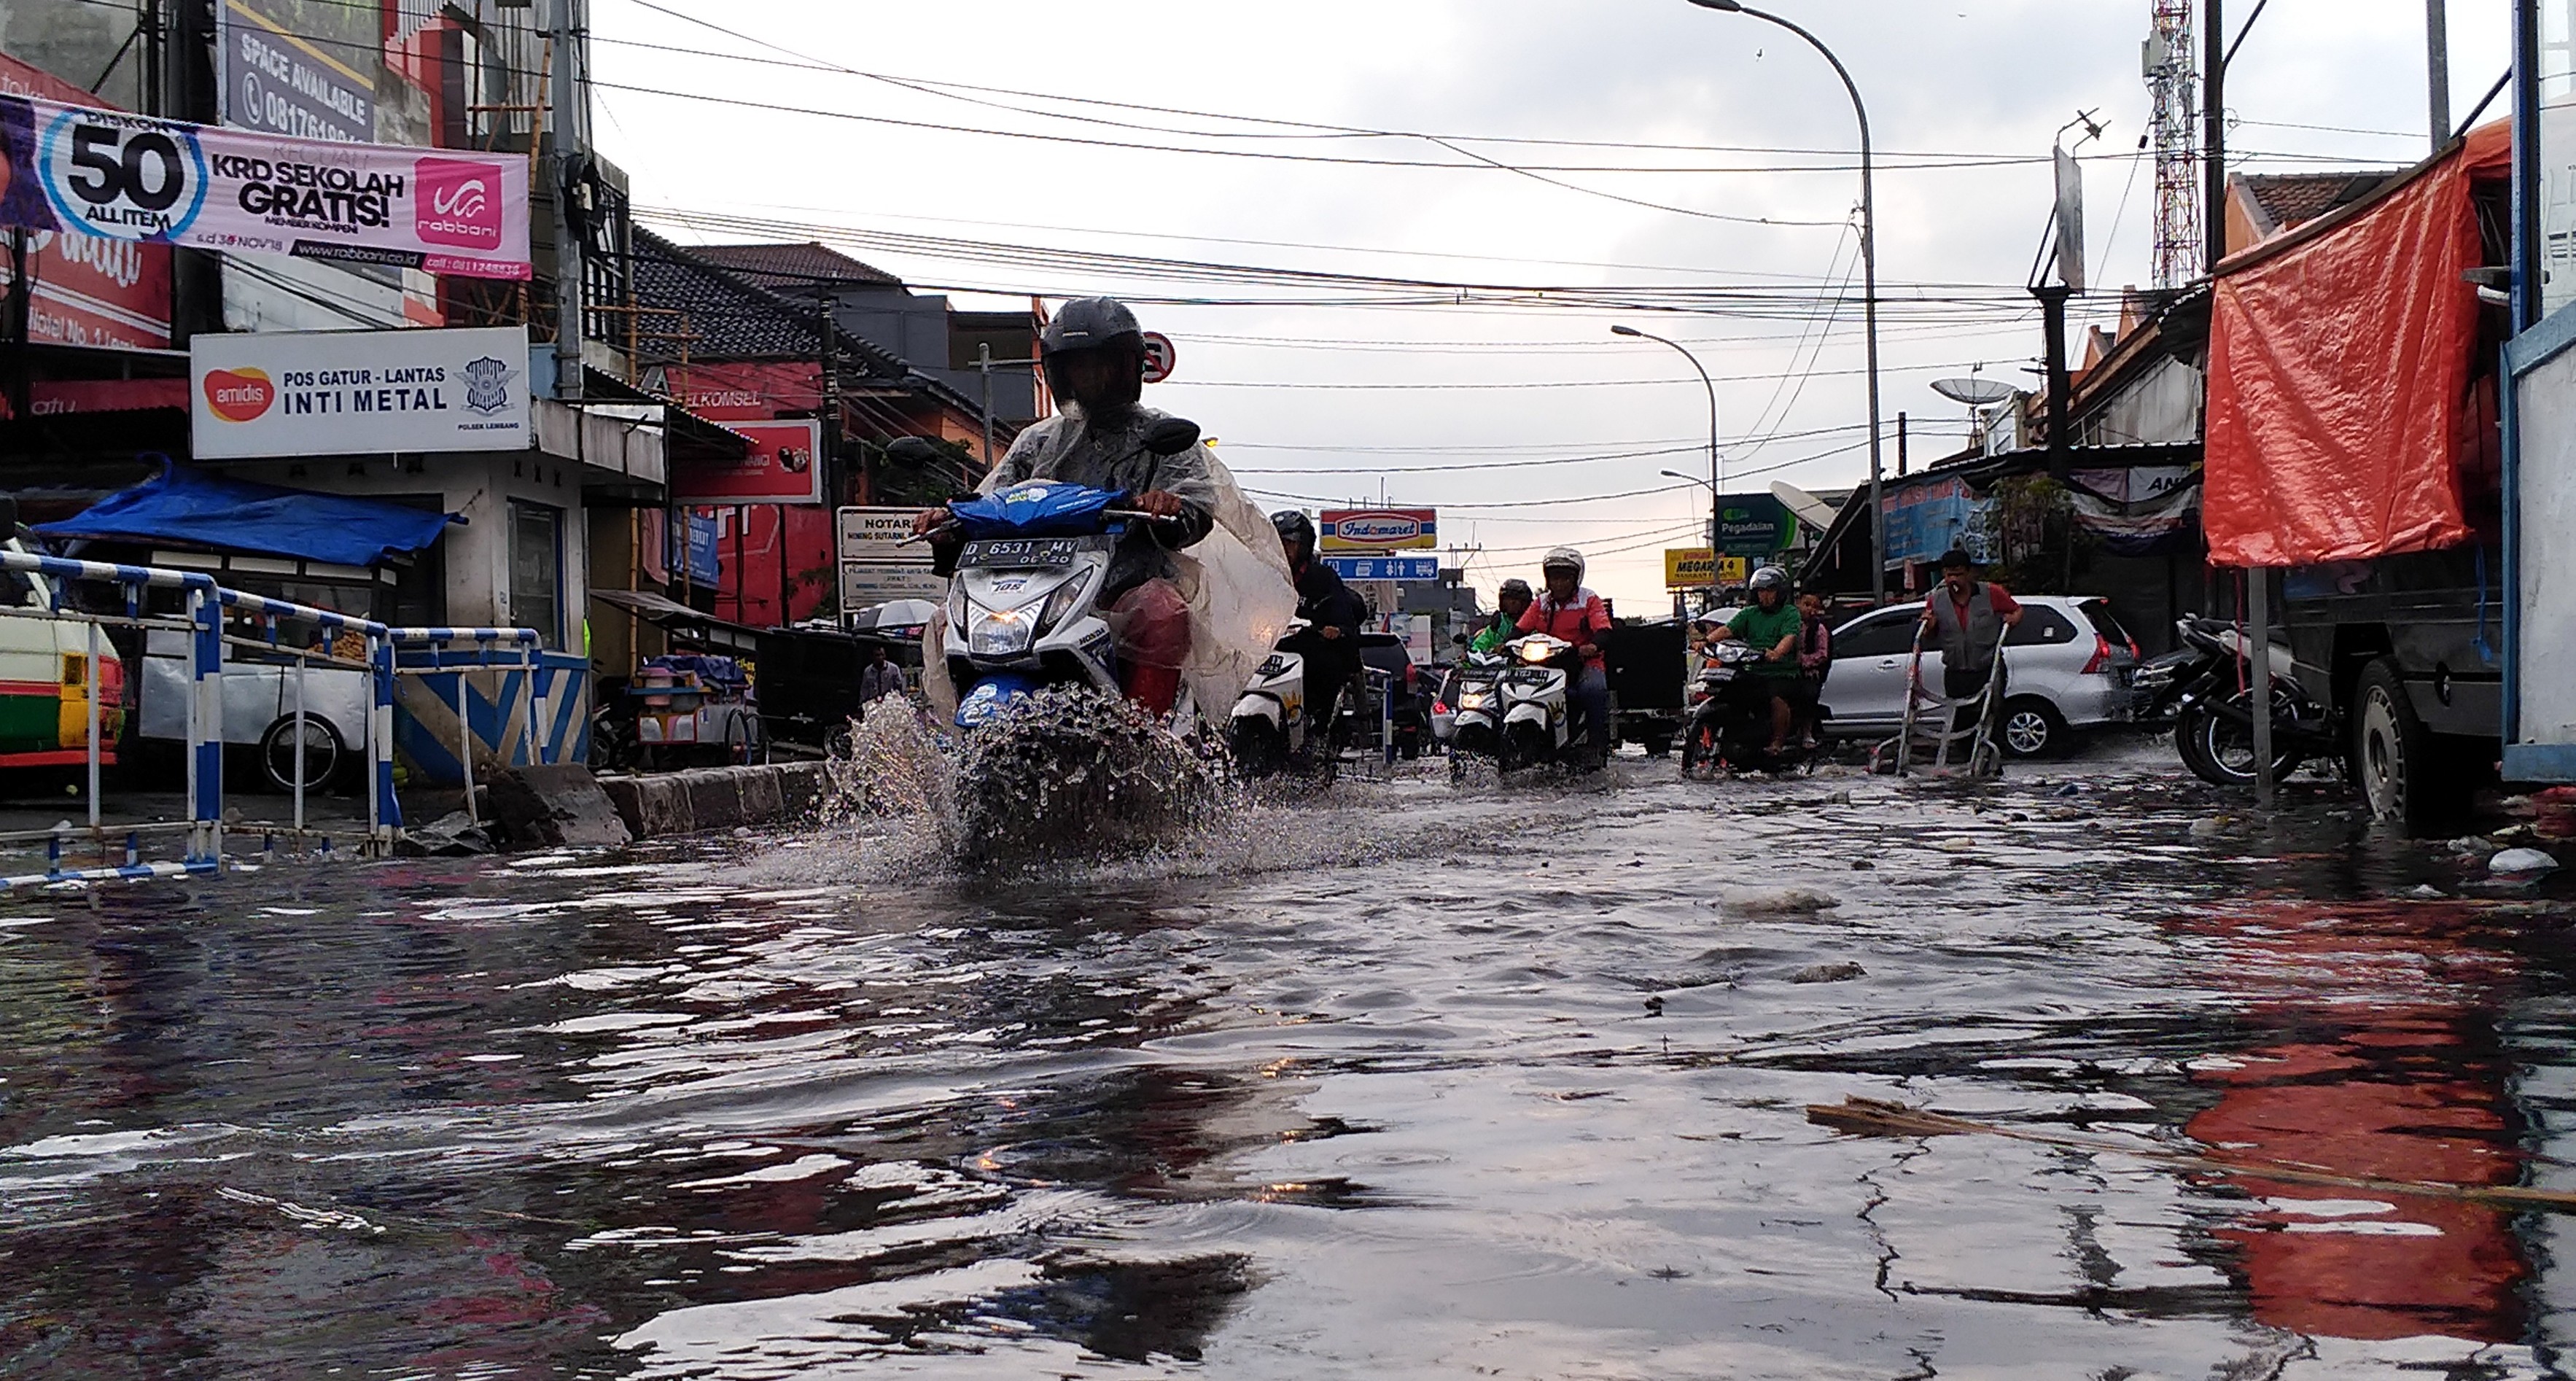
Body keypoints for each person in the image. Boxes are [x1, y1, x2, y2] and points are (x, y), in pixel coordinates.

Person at [913, 297, 1215, 715]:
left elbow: (1196, 505)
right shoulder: (1037, 441)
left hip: (1117, 595)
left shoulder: (1160, 436)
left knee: (1161, 611)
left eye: (1100, 364)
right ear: (1059, 371)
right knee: (948, 621)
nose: (1089, 376)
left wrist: (1169, 507)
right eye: (1077, 365)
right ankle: (944, 732)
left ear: (1128, 367)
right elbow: (992, 500)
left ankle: (1149, 739)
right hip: (1031, 588)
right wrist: (952, 520)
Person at [1272, 510, 1364, 742]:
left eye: (1289, 544)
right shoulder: (1263, 575)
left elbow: (1343, 619)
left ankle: (1317, 727)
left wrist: (1335, 630)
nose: (1283, 550)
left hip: (1310, 647)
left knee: (1325, 664)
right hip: (1270, 647)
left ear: (1303, 546)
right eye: (1277, 543)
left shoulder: (1323, 578)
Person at [1517, 547, 1613, 767]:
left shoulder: (1589, 599)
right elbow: (1520, 628)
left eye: (1564, 578)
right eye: (1554, 578)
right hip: (1547, 664)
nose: (1558, 583)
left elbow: (1604, 631)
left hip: (1583, 662)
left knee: (1593, 691)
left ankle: (1596, 747)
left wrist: (1592, 646)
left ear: (1575, 579)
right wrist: (1504, 644)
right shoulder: (1541, 602)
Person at [1920, 547, 2024, 743]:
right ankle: (1966, 764)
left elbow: (2017, 610)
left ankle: (1990, 762)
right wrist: (1930, 626)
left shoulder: (1991, 593)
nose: (1954, 580)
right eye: (1949, 575)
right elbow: (1930, 636)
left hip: (1987, 668)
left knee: (1989, 718)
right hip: (1956, 671)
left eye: (1958, 574)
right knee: (1961, 723)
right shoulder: (1936, 600)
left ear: (1969, 574)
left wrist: (2013, 620)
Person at [1713, 565, 1805, 755]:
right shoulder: (1749, 613)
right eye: (1761, 591)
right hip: (1753, 670)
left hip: (1781, 671)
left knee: (1776, 698)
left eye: (1770, 591)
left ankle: (1777, 743)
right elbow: (1728, 630)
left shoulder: (1789, 613)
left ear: (1780, 593)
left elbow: (1789, 637)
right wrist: (1706, 640)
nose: (1765, 596)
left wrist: (1776, 653)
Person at [1794, 590, 1834, 747]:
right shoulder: (1793, 625)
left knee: (1809, 697)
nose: (1809, 609)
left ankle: (1807, 733)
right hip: (1790, 670)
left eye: (1813, 606)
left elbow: (1823, 654)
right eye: (1806, 605)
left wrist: (1803, 661)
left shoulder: (1819, 629)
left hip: (1811, 673)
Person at [1468, 578, 1534, 656]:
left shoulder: (1534, 620)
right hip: (1499, 665)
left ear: (1525, 603)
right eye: (1506, 600)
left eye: (1514, 601)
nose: (1510, 604)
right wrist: (1490, 651)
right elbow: (1480, 643)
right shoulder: (1499, 621)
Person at [858, 643, 906, 707]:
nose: (880, 657)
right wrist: (862, 704)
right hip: (873, 704)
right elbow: (864, 690)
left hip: (890, 703)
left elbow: (899, 687)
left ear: (885, 656)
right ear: (873, 657)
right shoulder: (868, 671)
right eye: (877, 655)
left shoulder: (894, 669)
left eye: (882, 655)